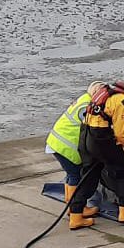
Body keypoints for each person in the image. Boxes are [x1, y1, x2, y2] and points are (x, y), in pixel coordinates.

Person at [68, 69, 124, 230]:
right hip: (101, 139)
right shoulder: (123, 101)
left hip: (86, 135)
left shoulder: (107, 90)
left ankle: (76, 214)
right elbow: (120, 131)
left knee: (89, 175)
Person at [45, 81, 105, 216]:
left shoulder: (84, 99)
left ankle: (69, 202)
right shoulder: (88, 106)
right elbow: (94, 130)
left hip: (56, 143)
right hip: (65, 147)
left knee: (70, 174)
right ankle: (76, 209)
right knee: (75, 175)